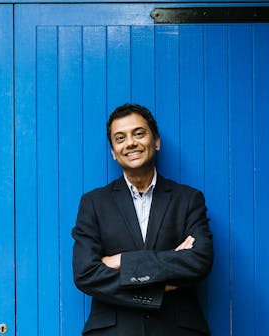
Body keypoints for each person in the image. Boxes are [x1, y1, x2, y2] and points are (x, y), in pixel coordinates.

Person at [72, 103, 214, 335]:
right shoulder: (93, 203)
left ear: (156, 142)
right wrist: (164, 276)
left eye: (139, 133)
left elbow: (199, 262)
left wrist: (121, 261)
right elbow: (85, 274)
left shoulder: (188, 199)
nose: (130, 143)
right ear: (113, 152)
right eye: (120, 138)